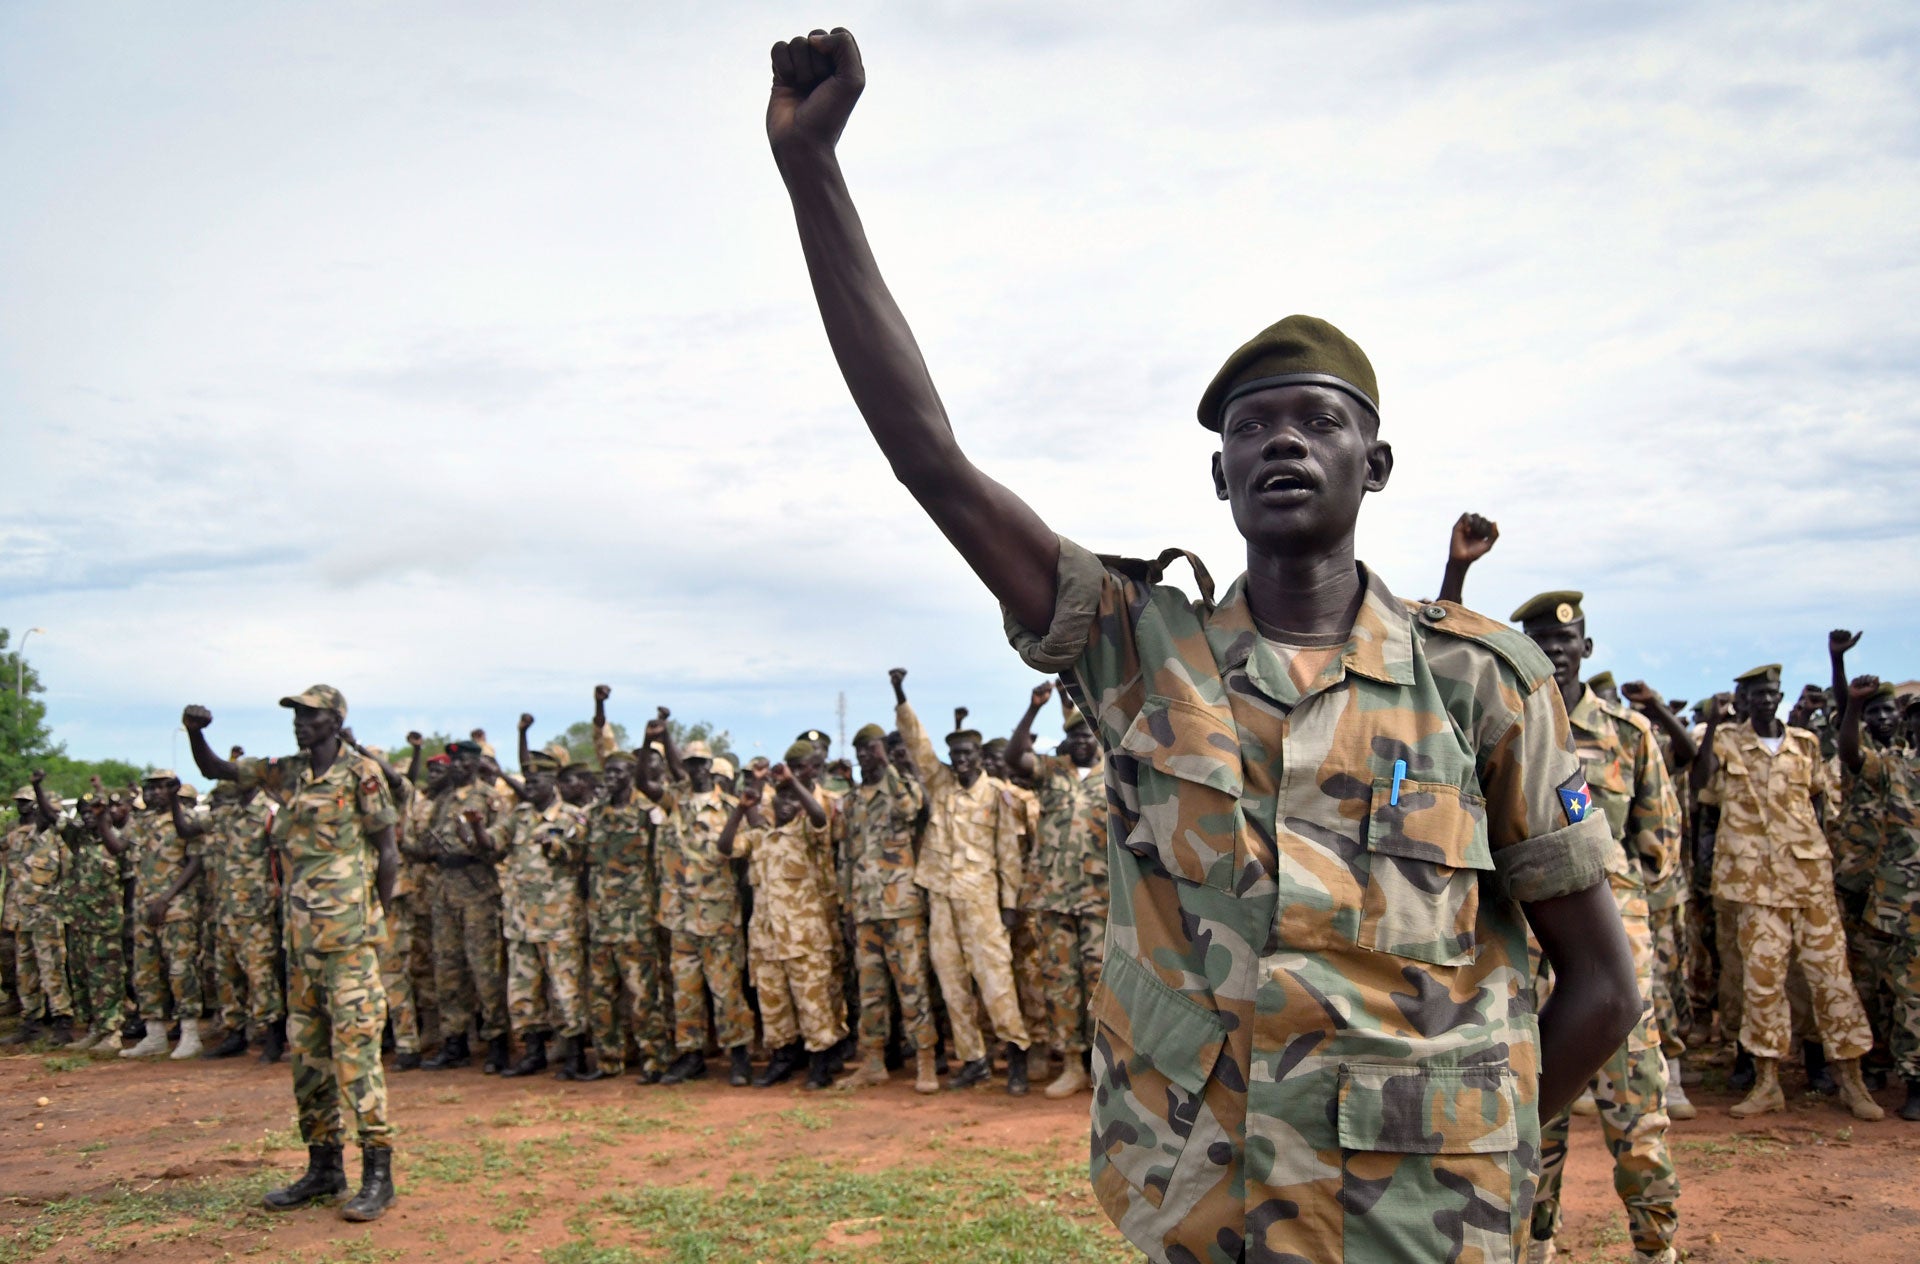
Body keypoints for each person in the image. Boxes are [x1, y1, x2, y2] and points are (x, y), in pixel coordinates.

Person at [766, 29, 1636, 1258]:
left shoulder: (1477, 680)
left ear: (1372, 463)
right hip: (1199, 1206)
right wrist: (815, 175)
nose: (1283, 442)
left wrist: (1480, 1144)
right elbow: (933, 462)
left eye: (1318, 422)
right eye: (1253, 427)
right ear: (1218, 469)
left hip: (1427, 1223)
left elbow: (1602, 985)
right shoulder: (1137, 651)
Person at [1504, 590, 1684, 1264]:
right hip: (1522, 954)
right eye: (1540, 640)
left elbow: (1657, 845)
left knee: (1636, 1115)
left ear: (1587, 649)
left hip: (1613, 953)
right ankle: (1534, 1247)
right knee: (1531, 1116)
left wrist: (1639, 931)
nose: (1555, 650)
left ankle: (1655, 1248)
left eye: (1565, 640)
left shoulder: (1628, 735)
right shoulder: (1507, 727)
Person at [183, 688, 401, 1221]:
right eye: (296, 715)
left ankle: (379, 1173)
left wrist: (377, 915)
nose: (300, 723)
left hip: (348, 941)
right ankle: (324, 1167)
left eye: (311, 714)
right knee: (308, 1060)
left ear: (336, 720)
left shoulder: (361, 774)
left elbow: (388, 850)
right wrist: (195, 731)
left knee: (357, 1056)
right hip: (301, 942)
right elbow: (217, 769)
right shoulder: (288, 772)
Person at [1693, 664, 1881, 1120]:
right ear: (1744, 698)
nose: (1765, 699)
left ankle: (1852, 1081)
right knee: (1762, 984)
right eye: (1756, 693)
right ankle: (1767, 1083)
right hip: (1754, 885)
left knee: (1832, 977)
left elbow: (1818, 798)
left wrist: (1816, 848)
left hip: (1809, 880)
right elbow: (1702, 790)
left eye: (1771, 691)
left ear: (1780, 696)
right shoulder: (1725, 743)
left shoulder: (1806, 744)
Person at [890, 669, 1032, 1094]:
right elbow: (919, 745)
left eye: (969, 753)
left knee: (995, 981)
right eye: (958, 755)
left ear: (977, 754)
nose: (963, 760)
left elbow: (1008, 853)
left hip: (981, 901)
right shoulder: (941, 786)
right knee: (952, 984)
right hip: (942, 902)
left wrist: (1009, 904)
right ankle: (974, 1060)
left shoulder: (997, 796)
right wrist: (900, 694)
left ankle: (1016, 1052)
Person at [1006, 683, 1110, 1099]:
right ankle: (1071, 1065)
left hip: (1102, 900)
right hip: (1053, 898)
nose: (1082, 741)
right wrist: (1033, 710)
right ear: (1066, 740)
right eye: (1075, 735)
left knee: (1101, 982)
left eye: (1088, 734)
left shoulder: (1115, 774)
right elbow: (1013, 757)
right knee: (1061, 982)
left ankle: (1103, 1065)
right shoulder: (1052, 773)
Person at [720, 758, 848, 1089]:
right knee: (774, 1006)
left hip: (804, 939)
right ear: (772, 805)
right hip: (766, 942)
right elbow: (725, 847)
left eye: (792, 800)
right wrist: (741, 808)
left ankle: (820, 1065)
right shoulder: (760, 837)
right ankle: (782, 1059)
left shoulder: (808, 832)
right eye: (782, 800)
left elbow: (820, 816)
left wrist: (792, 783)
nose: (788, 805)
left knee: (813, 1005)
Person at [1836, 667, 1920, 1121]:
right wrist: (1851, 703)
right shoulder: (1896, 768)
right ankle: (1911, 1079)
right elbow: (1851, 755)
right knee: (1903, 992)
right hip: (1899, 903)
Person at [837, 721, 935, 1091]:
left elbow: (911, 809)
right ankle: (873, 1061)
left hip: (902, 907)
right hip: (865, 911)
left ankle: (925, 1060)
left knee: (912, 986)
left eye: (873, 749)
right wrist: (848, 908)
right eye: (862, 750)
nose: (867, 756)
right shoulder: (852, 801)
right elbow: (846, 858)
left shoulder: (901, 788)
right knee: (871, 991)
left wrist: (890, 766)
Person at [491, 740, 589, 1080]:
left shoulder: (570, 817)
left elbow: (580, 855)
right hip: (519, 920)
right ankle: (534, 1053)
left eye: (535, 781)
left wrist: (556, 845)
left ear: (552, 784)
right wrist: (472, 826)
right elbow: (492, 844)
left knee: (565, 989)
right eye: (526, 780)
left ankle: (575, 1054)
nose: (528, 786)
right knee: (523, 990)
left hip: (557, 920)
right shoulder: (518, 816)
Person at [659, 737, 755, 1087]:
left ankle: (739, 1056)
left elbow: (740, 853)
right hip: (680, 916)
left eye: (702, 762)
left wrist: (741, 812)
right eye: (690, 763)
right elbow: (645, 782)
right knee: (685, 991)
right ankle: (691, 1056)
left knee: (727, 990)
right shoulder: (674, 804)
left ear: (711, 765)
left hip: (718, 917)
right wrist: (660, 734)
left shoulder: (731, 807)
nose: (697, 768)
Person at [168, 777, 282, 1061]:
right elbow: (185, 829)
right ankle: (235, 1034)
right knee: (226, 975)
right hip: (225, 911)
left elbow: (283, 858)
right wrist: (173, 799)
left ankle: (273, 1038)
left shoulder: (268, 813)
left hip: (256, 912)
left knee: (260, 976)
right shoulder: (224, 815)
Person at [414, 740, 512, 1073]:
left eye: (463, 761)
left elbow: (500, 846)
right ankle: (454, 1042)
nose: (457, 766)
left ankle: (498, 1041)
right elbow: (429, 839)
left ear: (475, 764)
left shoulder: (489, 797)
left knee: (485, 970)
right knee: (447, 969)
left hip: (477, 889)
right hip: (444, 889)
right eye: (453, 761)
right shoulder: (442, 800)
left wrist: (474, 840)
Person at [580, 750, 671, 1082]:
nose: (612, 777)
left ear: (632, 775)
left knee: (644, 994)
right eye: (608, 772)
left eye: (619, 772)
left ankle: (655, 1061)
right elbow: (581, 858)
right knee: (600, 996)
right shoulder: (593, 814)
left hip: (636, 920)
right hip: (601, 919)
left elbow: (660, 865)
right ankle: (608, 1060)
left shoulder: (648, 813)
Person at [101, 771, 206, 1059]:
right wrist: (102, 820)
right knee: (145, 972)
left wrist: (166, 897)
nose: (153, 793)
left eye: (160, 788)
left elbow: (195, 861)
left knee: (180, 971)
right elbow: (117, 848)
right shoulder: (141, 821)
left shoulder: (186, 819)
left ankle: (190, 1034)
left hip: (176, 906)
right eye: (149, 789)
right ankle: (155, 1034)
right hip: (144, 907)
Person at [0, 776, 74, 1047]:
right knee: (25, 971)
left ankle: (62, 1021)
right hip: (21, 916)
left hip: (47, 917)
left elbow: (68, 877)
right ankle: (30, 1023)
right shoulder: (19, 837)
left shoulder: (59, 839)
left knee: (52, 970)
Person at [65, 792, 128, 1051]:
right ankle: (95, 1028)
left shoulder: (117, 842)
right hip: (80, 922)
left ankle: (112, 1032)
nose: (88, 816)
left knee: (107, 978)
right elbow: (51, 816)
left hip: (107, 924)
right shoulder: (79, 841)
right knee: (84, 978)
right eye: (84, 812)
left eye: (94, 811)